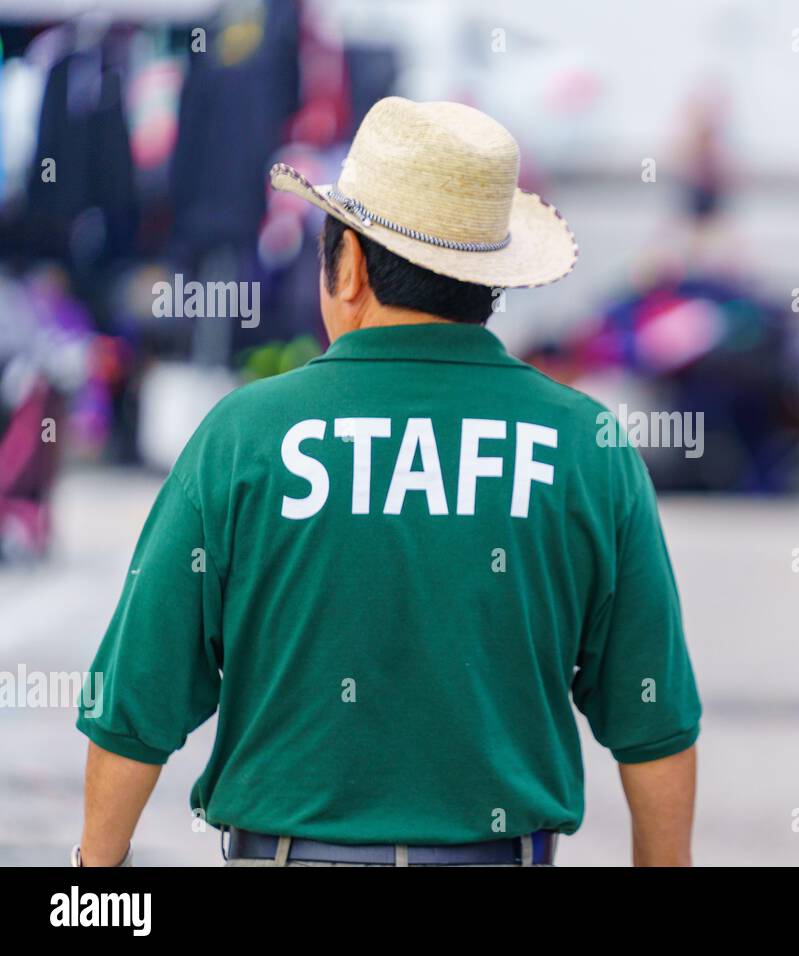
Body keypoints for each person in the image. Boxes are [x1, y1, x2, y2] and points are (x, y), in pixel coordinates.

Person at [73, 98, 701, 867]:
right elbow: (655, 721)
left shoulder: (246, 435)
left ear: (350, 265)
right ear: (489, 281)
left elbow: (136, 697)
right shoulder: (588, 445)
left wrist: (93, 883)